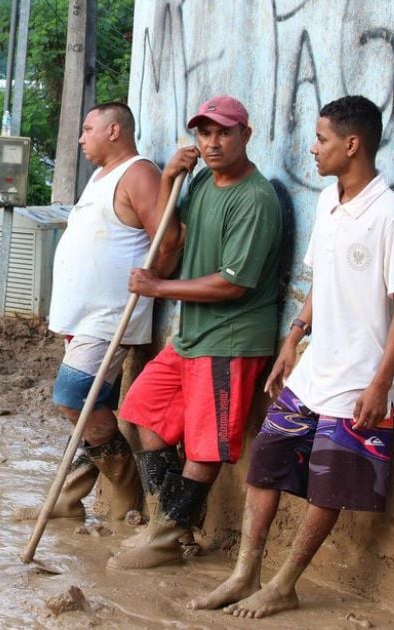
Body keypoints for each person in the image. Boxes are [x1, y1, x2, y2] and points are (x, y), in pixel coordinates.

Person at [188, 95, 394, 618]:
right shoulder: (327, 201)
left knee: (328, 486)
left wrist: (381, 382)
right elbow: (320, 279)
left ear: (351, 144)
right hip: (314, 369)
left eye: (321, 139)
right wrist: (295, 337)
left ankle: (285, 582)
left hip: (360, 379)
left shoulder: (391, 216)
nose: (312, 149)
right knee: (265, 464)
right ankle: (245, 572)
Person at [107, 95, 284, 570]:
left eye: (224, 132)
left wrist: (158, 285)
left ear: (246, 135)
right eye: (205, 133)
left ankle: (165, 536)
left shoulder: (255, 199)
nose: (212, 142)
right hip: (191, 336)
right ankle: (169, 520)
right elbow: (173, 235)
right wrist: (168, 179)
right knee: (143, 410)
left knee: (205, 444)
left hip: (230, 339)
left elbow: (233, 283)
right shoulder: (202, 179)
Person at [14, 102, 163, 523]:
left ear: (114, 131)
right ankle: (69, 498)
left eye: (87, 129)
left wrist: (156, 284)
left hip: (109, 315)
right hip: (83, 318)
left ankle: (127, 489)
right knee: (87, 405)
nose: (81, 138)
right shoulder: (101, 176)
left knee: (72, 398)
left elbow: (167, 240)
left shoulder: (138, 172)